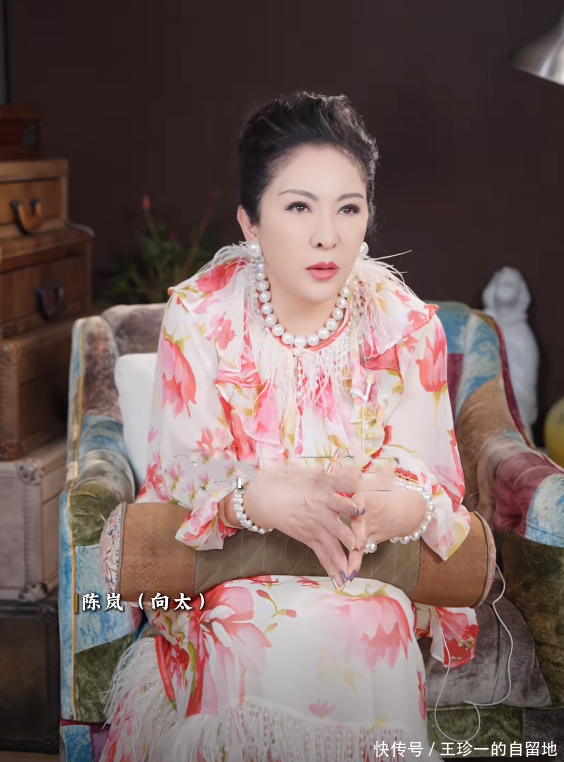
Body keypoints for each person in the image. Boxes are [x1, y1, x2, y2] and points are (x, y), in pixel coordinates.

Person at [99, 92, 478, 762]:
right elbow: (181, 470)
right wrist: (258, 499)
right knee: (248, 632)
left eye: (348, 208)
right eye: (299, 207)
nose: (327, 235)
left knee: (371, 627)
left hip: (362, 570)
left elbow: (431, 478)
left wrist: (396, 508)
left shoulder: (404, 325)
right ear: (250, 222)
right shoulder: (201, 316)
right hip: (234, 570)